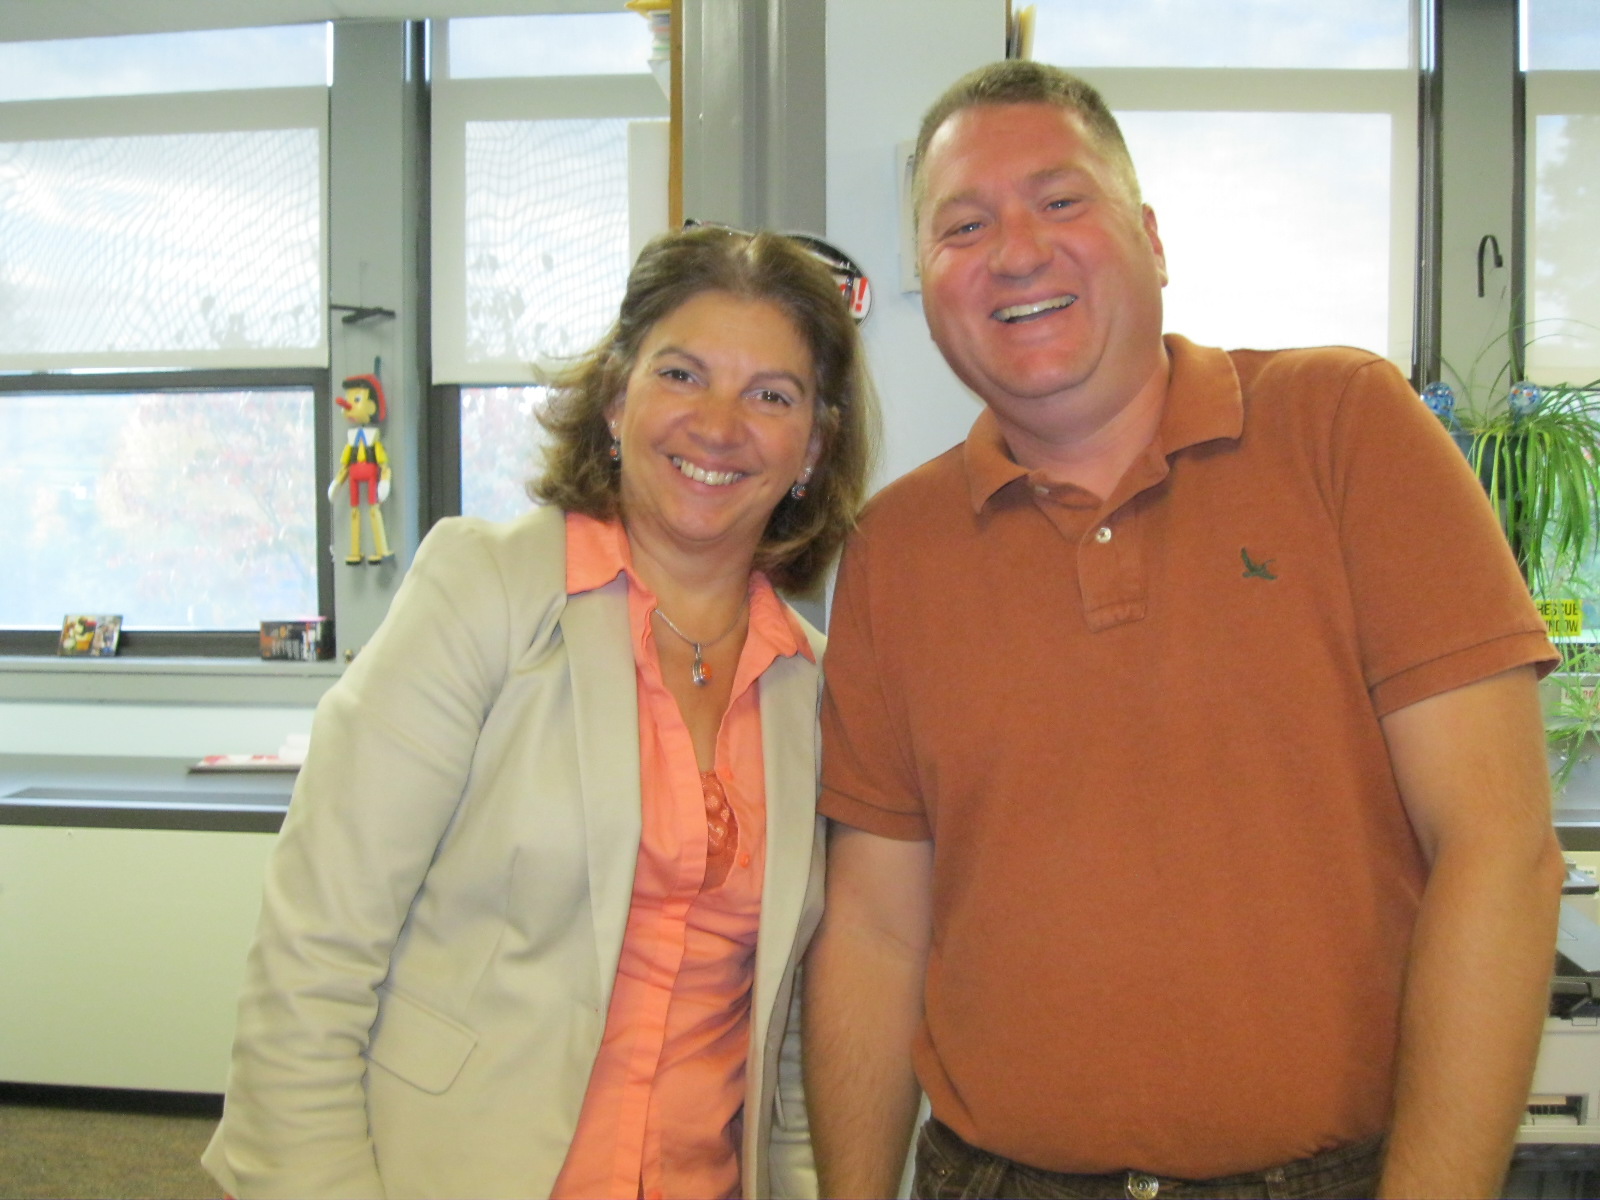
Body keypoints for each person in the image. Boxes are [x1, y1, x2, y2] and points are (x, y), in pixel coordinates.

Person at [804, 60, 1564, 1200]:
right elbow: (871, 933)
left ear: (1150, 239)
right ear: (926, 282)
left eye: (1060, 202)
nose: (1014, 249)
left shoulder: (1344, 429)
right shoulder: (892, 551)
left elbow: (1499, 851)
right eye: (963, 224)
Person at [203, 225, 876, 1200]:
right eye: (681, 375)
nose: (719, 425)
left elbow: (789, 1048)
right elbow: (314, 955)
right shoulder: (483, 593)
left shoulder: (818, 690)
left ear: (812, 445)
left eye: (771, 396)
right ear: (615, 398)